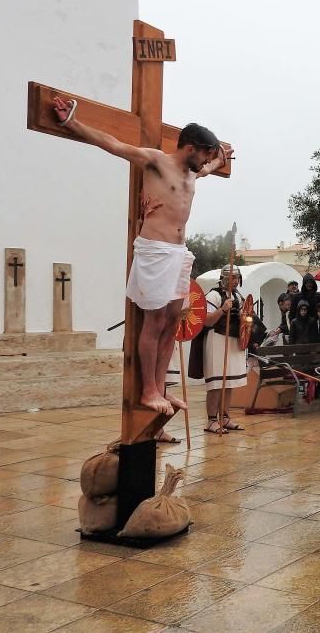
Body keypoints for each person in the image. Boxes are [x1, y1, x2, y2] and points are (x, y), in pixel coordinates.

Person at [52, 97, 231, 419]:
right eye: (206, 152)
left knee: (172, 322)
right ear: (191, 147)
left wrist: (220, 160)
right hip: (156, 249)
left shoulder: (193, 173)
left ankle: (161, 388)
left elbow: (207, 169)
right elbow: (113, 144)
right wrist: (71, 122)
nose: (207, 160)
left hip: (178, 252)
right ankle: (149, 389)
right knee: (155, 321)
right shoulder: (156, 161)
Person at [202, 265, 248, 433]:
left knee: (229, 382)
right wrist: (223, 310)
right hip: (217, 340)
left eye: (237, 278)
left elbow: (245, 318)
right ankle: (211, 420)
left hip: (233, 340)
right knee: (216, 383)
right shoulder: (213, 295)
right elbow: (207, 321)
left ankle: (225, 417)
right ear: (224, 279)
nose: (235, 281)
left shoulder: (238, 296)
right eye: (232, 278)